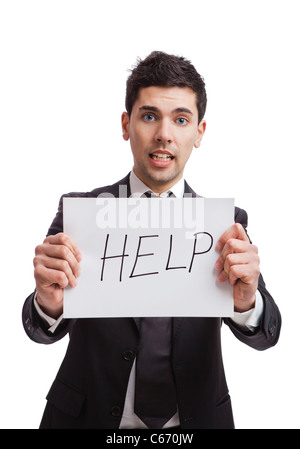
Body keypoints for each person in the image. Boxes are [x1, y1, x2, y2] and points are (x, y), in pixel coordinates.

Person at [22, 51, 281, 429]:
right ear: (126, 125)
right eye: (149, 116)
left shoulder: (226, 223)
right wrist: (48, 303)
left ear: (199, 133)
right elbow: (40, 329)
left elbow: (266, 334)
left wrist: (246, 302)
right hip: (86, 418)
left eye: (180, 119)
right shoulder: (80, 213)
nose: (164, 134)